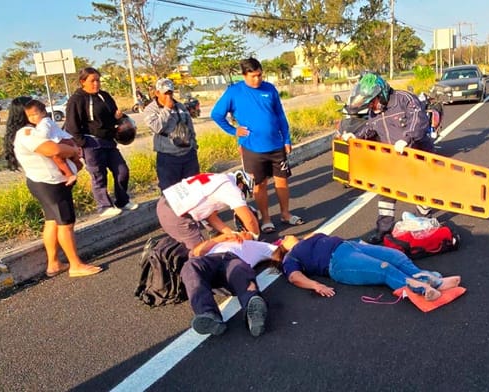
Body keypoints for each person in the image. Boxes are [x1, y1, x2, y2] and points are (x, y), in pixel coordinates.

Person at [4, 96, 103, 278]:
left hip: (43, 182)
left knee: (52, 222)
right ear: (23, 115)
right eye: (32, 113)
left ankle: (54, 263)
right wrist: (74, 151)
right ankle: (75, 265)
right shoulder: (27, 134)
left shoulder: (29, 132)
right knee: (66, 224)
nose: (38, 116)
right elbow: (54, 150)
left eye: (39, 112)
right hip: (51, 184)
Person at [211, 57, 304, 234]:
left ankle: (285, 214)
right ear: (244, 75)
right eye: (253, 76)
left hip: (276, 145)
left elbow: (280, 116)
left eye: (260, 75)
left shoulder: (270, 89)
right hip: (252, 148)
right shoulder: (234, 92)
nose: (258, 79)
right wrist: (233, 130)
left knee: (282, 181)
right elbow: (217, 114)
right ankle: (266, 219)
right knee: (259, 185)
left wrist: (286, 139)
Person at [342, 72, 435, 244]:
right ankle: (383, 231)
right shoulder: (374, 112)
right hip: (393, 158)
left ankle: (425, 225)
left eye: (373, 101)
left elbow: (419, 121)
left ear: (382, 94)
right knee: (386, 193)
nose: (372, 106)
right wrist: (356, 137)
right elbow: (371, 128)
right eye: (369, 103)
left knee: (419, 190)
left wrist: (406, 139)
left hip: (417, 153)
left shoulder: (404, 99)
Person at [269, 232, 461, 301]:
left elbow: (315, 234)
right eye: (283, 239)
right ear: (283, 249)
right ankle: (422, 289)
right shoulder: (290, 257)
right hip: (337, 262)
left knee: (396, 256)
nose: (287, 236)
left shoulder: (306, 241)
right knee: (384, 268)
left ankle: (432, 280)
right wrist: (316, 286)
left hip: (351, 246)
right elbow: (294, 277)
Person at [64, 67, 138, 218]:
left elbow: (113, 116)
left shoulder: (104, 96)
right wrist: (82, 143)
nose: (96, 84)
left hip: (108, 140)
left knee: (122, 171)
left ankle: (122, 200)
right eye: (92, 81)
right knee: (98, 175)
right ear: (83, 82)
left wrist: (118, 116)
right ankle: (104, 206)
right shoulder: (76, 100)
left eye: (98, 80)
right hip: (91, 142)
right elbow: (72, 125)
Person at [181, 231, 275, 336]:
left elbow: (282, 249)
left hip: (233, 264)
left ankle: (254, 309)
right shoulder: (217, 243)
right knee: (190, 266)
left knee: (240, 269)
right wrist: (223, 237)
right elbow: (195, 253)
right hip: (210, 261)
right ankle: (208, 314)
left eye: (247, 231)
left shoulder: (256, 245)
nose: (242, 232)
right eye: (241, 230)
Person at [157, 172, 260, 250]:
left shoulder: (218, 178)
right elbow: (248, 218)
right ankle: (157, 251)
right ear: (241, 185)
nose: (242, 195)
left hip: (164, 203)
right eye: (244, 192)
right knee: (199, 253)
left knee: (193, 249)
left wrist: (231, 233)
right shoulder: (232, 189)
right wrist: (254, 237)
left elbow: (211, 217)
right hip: (177, 214)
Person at [144, 78, 199, 190]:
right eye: (165, 93)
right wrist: (167, 109)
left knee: (193, 189)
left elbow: (190, 127)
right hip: (168, 158)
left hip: (188, 155)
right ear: (157, 93)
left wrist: (194, 145)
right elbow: (156, 127)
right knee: (171, 192)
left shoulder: (180, 107)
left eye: (170, 93)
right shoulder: (151, 109)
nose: (169, 97)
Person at [23, 99, 82, 186]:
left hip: (63, 141)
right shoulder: (42, 123)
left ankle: (69, 175)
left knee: (57, 158)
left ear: (43, 113)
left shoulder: (45, 122)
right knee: (62, 158)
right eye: (29, 116)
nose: (32, 118)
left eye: (35, 114)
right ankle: (76, 165)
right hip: (63, 140)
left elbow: (43, 135)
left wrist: (32, 132)